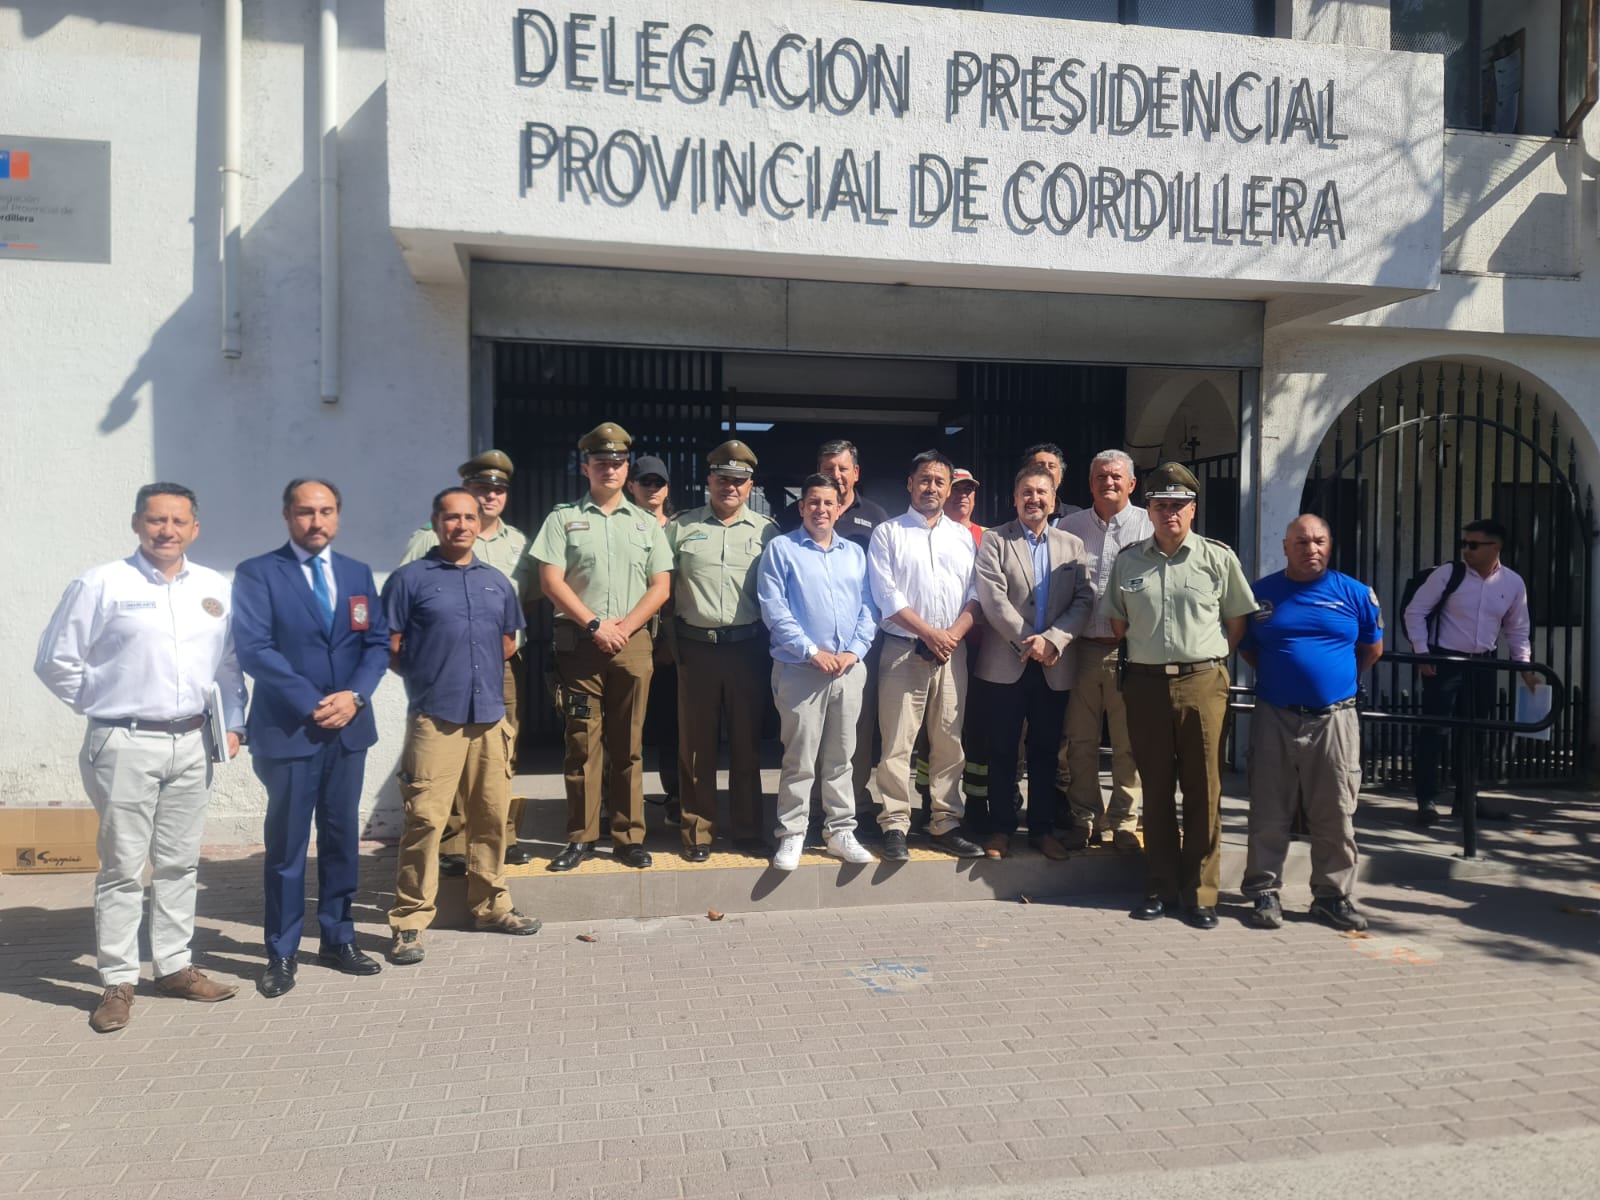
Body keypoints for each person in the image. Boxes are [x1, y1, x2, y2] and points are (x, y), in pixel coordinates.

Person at [35, 483, 248, 1033]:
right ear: (137, 524)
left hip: (193, 742)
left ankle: (174, 967)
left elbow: (228, 664)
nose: (166, 531)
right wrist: (103, 703)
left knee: (180, 862)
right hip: (125, 742)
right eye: (156, 520)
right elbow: (56, 660)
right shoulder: (102, 584)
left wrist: (233, 723)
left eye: (178, 521)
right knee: (124, 867)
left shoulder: (214, 588)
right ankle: (118, 980)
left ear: (195, 528)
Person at [233, 479, 391, 997]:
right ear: (287, 516)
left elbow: (376, 644)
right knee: (287, 847)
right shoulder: (258, 573)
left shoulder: (356, 573)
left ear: (338, 516)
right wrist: (313, 702)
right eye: (305, 512)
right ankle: (281, 951)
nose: (315, 521)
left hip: (348, 730)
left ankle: (338, 938)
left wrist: (356, 697)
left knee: (342, 838)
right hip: (291, 730)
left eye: (325, 511)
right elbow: (255, 648)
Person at [382, 488, 540, 965]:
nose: (462, 525)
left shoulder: (496, 581)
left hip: (490, 716)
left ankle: (492, 907)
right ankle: (410, 921)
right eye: (452, 517)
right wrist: (431, 677)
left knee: (490, 816)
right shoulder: (410, 579)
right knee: (426, 820)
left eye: (470, 518)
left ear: (479, 524)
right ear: (436, 522)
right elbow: (391, 645)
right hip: (437, 717)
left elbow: (508, 643)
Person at [1103, 463, 1256, 930]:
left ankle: (1200, 894)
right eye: (1160, 505)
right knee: (1155, 788)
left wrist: (1203, 659)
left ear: (1193, 510)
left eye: (1178, 505)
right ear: (1148, 510)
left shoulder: (1217, 558)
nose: (1169, 512)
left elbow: (1236, 622)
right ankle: (1160, 887)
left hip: (1202, 682)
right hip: (1146, 684)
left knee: (1203, 789)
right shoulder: (1129, 561)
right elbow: (1118, 623)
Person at [532, 422, 673, 872]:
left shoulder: (645, 524)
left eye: (616, 462)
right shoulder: (561, 519)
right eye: (600, 462)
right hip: (579, 646)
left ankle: (629, 837)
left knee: (629, 744)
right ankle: (581, 837)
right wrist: (594, 624)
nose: (609, 469)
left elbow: (661, 585)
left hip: (631, 645)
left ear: (626, 469)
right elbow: (550, 581)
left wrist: (624, 628)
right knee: (582, 743)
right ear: (585, 467)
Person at [1240, 515, 1384, 932]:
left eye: (1319, 541)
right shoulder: (1260, 594)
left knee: (1335, 810)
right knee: (1269, 807)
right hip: (1275, 714)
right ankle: (1264, 891)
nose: (1311, 549)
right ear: (1286, 547)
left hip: (1334, 719)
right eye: (1301, 542)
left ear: (1330, 545)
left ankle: (1331, 896)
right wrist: (1290, 678)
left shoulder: (1354, 593)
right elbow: (1249, 650)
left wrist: (1332, 684)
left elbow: (1372, 649)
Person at [398, 449, 536, 868]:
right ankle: (454, 841)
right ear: (466, 490)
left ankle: (502, 835)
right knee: (450, 755)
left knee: (500, 752)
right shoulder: (429, 538)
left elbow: (521, 603)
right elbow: (404, 606)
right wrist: (423, 669)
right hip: (447, 671)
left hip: (502, 664)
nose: (490, 496)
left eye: (498, 489)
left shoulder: (518, 543)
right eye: (481, 487)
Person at [868, 450, 986, 861]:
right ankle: (895, 823)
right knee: (898, 743)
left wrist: (951, 636)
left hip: (952, 653)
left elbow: (977, 594)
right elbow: (887, 595)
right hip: (904, 651)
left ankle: (945, 821)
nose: (931, 488)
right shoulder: (888, 533)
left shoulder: (962, 537)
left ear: (949, 488)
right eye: (924, 479)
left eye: (939, 481)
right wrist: (930, 633)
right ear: (910, 484)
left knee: (949, 742)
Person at [757, 474, 879, 870]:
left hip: (847, 670)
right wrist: (811, 651)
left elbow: (869, 606)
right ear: (801, 507)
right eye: (813, 502)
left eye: (828, 503)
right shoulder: (782, 549)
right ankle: (792, 832)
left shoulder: (854, 553)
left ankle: (840, 831)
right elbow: (774, 608)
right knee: (800, 757)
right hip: (800, 670)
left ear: (839, 508)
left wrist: (855, 651)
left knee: (842, 756)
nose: (821, 510)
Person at [973, 466, 1096, 859]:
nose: (1034, 499)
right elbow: (992, 598)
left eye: (1042, 492)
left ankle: (1042, 830)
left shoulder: (1071, 544)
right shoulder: (995, 540)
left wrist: (1053, 640)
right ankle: (1001, 829)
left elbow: (1084, 598)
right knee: (1002, 750)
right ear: (1015, 498)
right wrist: (1029, 641)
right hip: (1005, 662)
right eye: (1026, 492)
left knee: (1046, 750)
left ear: (1054, 499)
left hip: (1054, 663)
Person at [666, 441, 778, 861]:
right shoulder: (681, 527)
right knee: (696, 746)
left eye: (738, 480)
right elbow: (660, 587)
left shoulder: (767, 532)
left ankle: (747, 830)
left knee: (747, 744)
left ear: (750, 486)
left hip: (748, 649)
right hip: (696, 650)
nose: (730, 487)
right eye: (722, 479)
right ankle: (698, 831)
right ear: (708, 481)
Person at [778, 439, 891, 821]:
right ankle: (807, 813)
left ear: (856, 473)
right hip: (803, 658)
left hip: (856, 654)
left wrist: (856, 649)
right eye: (829, 469)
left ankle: (851, 807)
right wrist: (808, 649)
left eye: (843, 468)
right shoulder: (790, 521)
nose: (837, 475)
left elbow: (875, 590)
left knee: (851, 736)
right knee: (805, 740)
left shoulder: (876, 517)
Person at [1403, 518, 1537, 826]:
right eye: (1464, 543)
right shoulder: (1448, 574)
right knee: (1434, 730)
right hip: (1444, 661)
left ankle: (1466, 800)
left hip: (1483, 663)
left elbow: (1517, 628)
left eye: (1473, 545)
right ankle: (1426, 799)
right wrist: (1422, 652)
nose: (1466, 550)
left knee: (1474, 733)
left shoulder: (1512, 583)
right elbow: (1415, 611)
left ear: (1496, 547)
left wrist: (1524, 667)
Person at [1058, 450, 1153, 851]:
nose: (1108, 482)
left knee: (1129, 743)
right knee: (1079, 741)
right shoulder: (1069, 527)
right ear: (1090, 483)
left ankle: (1125, 821)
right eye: (1100, 476)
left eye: (1116, 477)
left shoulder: (1149, 525)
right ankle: (1084, 817)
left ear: (1131, 484)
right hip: (1080, 651)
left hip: (1131, 651)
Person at [628, 454, 681, 827]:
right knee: (622, 729)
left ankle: (677, 798)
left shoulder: (681, 528)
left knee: (674, 729)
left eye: (658, 482)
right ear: (631, 485)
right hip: (629, 637)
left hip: (673, 646)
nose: (651, 488)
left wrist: (670, 643)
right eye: (644, 482)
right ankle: (617, 806)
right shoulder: (620, 526)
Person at [1021, 442, 1082, 520]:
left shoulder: (1076, 516)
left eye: (1051, 466)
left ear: (1060, 477)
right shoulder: (1010, 517)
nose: (1046, 470)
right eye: (1040, 465)